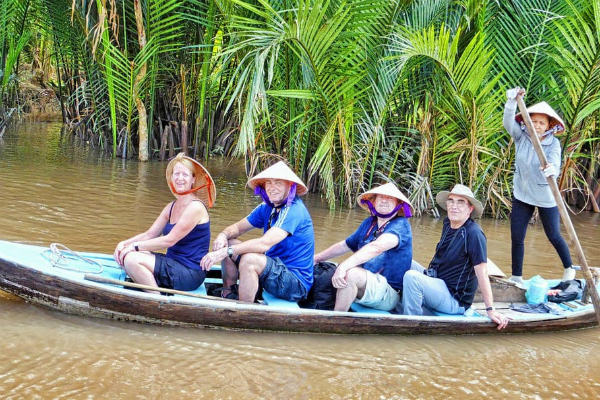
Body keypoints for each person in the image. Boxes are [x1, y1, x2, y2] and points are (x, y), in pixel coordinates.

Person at [200, 161, 314, 303]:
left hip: (295, 284)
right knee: (228, 242)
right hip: (274, 269)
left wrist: (227, 252)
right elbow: (236, 228)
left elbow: (263, 244)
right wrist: (223, 236)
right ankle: (228, 293)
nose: (272, 188)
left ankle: (243, 310)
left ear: (289, 186)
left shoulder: (294, 210)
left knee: (249, 260)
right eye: (269, 183)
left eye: (278, 183)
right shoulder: (267, 207)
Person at [402, 184, 509, 330]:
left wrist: (490, 309)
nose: (454, 206)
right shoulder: (448, 223)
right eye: (451, 201)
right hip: (438, 281)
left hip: (454, 300)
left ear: (470, 209)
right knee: (404, 261)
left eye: (461, 202)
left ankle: (410, 325)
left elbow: (482, 272)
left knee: (411, 277)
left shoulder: (474, 234)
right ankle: (396, 301)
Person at [114, 153, 216, 292]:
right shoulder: (171, 207)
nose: (180, 178)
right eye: (176, 174)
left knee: (132, 259)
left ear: (193, 179)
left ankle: (156, 300)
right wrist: (124, 244)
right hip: (173, 264)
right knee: (125, 256)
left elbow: (169, 240)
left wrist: (134, 247)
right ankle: (152, 289)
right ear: (172, 178)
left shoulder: (195, 207)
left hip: (189, 272)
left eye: (185, 175)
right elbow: (150, 234)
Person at [504, 88, 575, 285]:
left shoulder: (554, 144)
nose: (536, 125)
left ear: (549, 125)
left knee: (553, 235)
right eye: (533, 121)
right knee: (517, 236)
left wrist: (551, 169)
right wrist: (511, 103)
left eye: (541, 122)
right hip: (522, 194)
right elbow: (508, 123)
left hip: (545, 196)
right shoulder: (521, 136)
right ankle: (516, 276)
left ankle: (569, 268)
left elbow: (554, 164)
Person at [313, 183, 413, 312]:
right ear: (374, 201)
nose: (384, 200)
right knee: (328, 267)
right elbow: (345, 245)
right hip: (367, 284)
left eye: (389, 198)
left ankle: (336, 319)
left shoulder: (402, 225)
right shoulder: (369, 223)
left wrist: (343, 267)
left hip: (388, 293)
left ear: (398, 204)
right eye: (380, 197)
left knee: (351, 274)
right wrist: (316, 258)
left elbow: (377, 247)